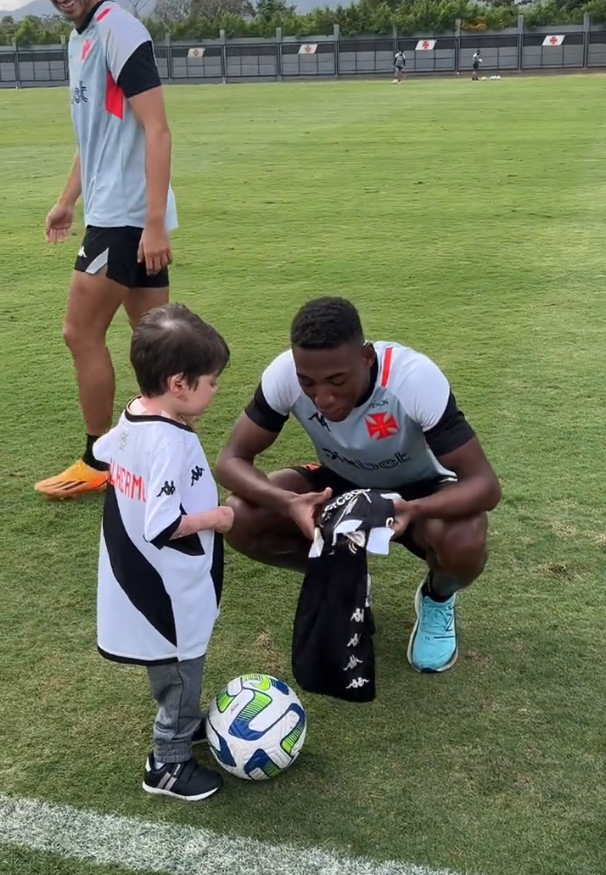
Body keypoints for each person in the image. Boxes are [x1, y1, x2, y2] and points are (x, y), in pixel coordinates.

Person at [215, 297, 501, 674]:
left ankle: (437, 598)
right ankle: (343, 584)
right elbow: (231, 460)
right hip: (339, 484)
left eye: (337, 381)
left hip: (421, 490)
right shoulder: (284, 374)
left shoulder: (413, 379)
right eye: (307, 382)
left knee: (464, 539)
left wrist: (415, 508)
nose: (322, 397)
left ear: (366, 358)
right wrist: (287, 502)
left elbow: (485, 485)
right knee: (240, 517)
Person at [35, 0, 177, 498]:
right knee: (153, 341)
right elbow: (94, 135)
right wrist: (66, 201)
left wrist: (153, 223)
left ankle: (99, 457)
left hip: (125, 215)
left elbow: (158, 129)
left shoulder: (118, 28)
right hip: (120, 213)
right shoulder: (82, 37)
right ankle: (166, 448)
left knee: (80, 332)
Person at [93, 303, 232, 802]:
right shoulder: (170, 442)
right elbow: (165, 525)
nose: (216, 389)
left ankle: (184, 723)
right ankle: (168, 763)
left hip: (136, 573)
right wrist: (217, 518)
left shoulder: (136, 412)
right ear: (179, 384)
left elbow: (104, 452)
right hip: (167, 584)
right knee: (180, 666)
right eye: (211, 381)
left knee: (170, 663)